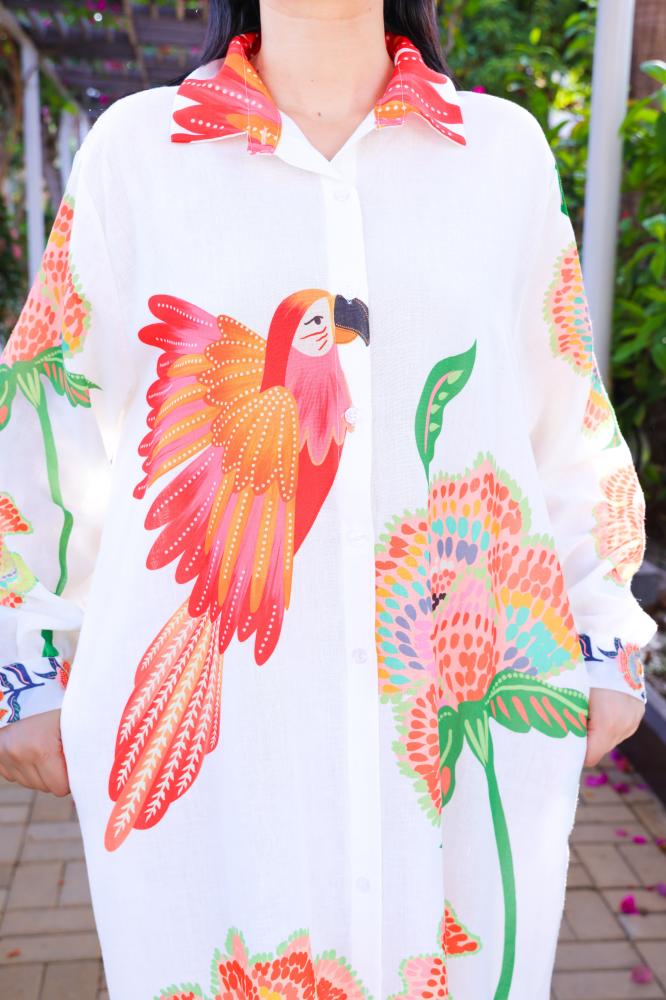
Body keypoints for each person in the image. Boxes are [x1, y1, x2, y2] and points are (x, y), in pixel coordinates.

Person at [0, 1, 656, 997]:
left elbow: (565, 417)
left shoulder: (501, 157)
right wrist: (23, 658)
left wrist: (607, 634)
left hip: (458, 716)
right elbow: (45, 417)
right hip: (234, 733)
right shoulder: (139, 155)